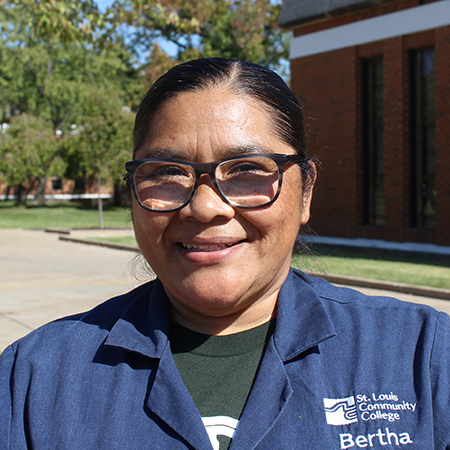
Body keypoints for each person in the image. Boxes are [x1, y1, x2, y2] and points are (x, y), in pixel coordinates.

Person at [0, 58, 449, 450]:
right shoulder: (34, 379)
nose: (205, 206)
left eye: (248, 170)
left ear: (306, 190)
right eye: (168, 172)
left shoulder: (422, 357)